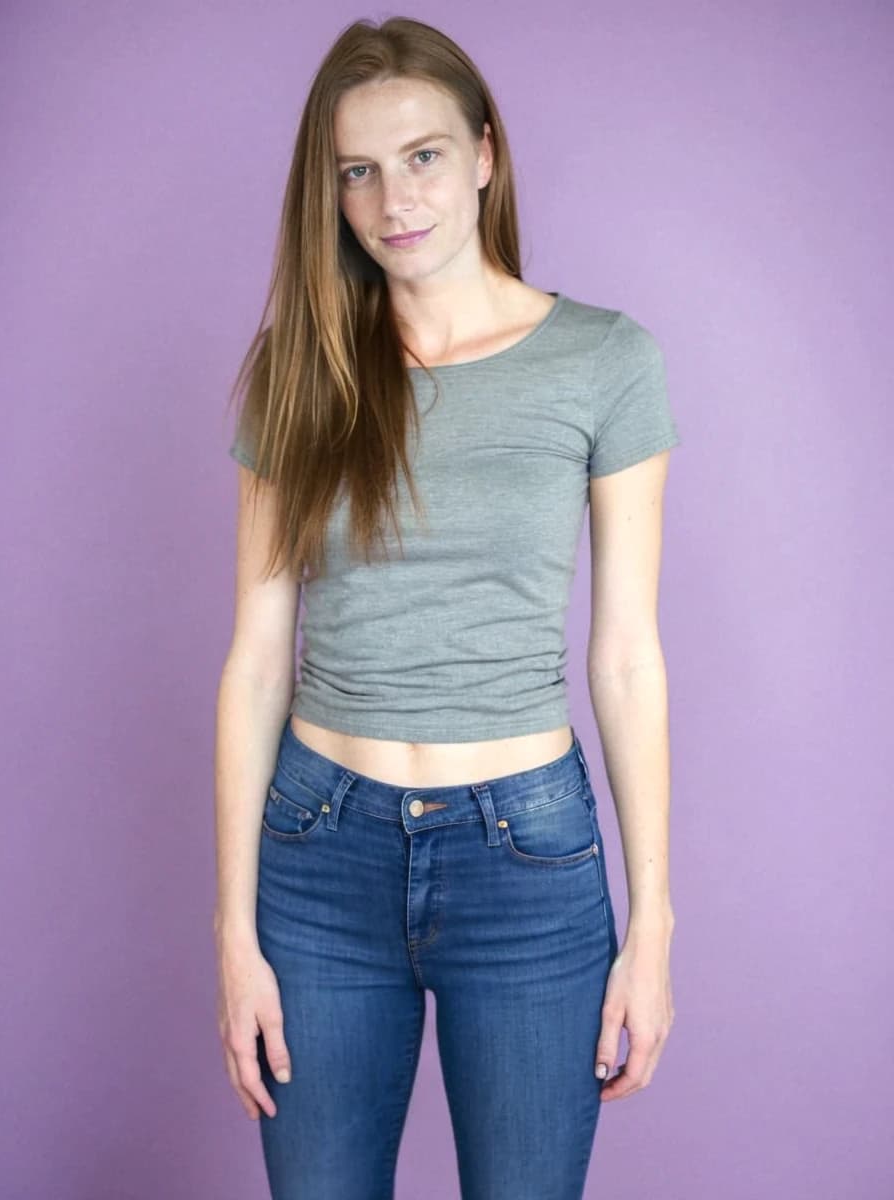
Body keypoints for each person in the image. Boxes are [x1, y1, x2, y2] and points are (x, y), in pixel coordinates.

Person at [214, 15, 679, 1200]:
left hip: (524, 859)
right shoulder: (297, 368)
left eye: (420, 156)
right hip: (316, 855)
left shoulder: (601, 360)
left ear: (483, 153)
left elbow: (625, 656)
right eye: (355, 172)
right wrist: (232, 933)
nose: (390, 200)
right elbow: (258, 659)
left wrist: (653, 922)